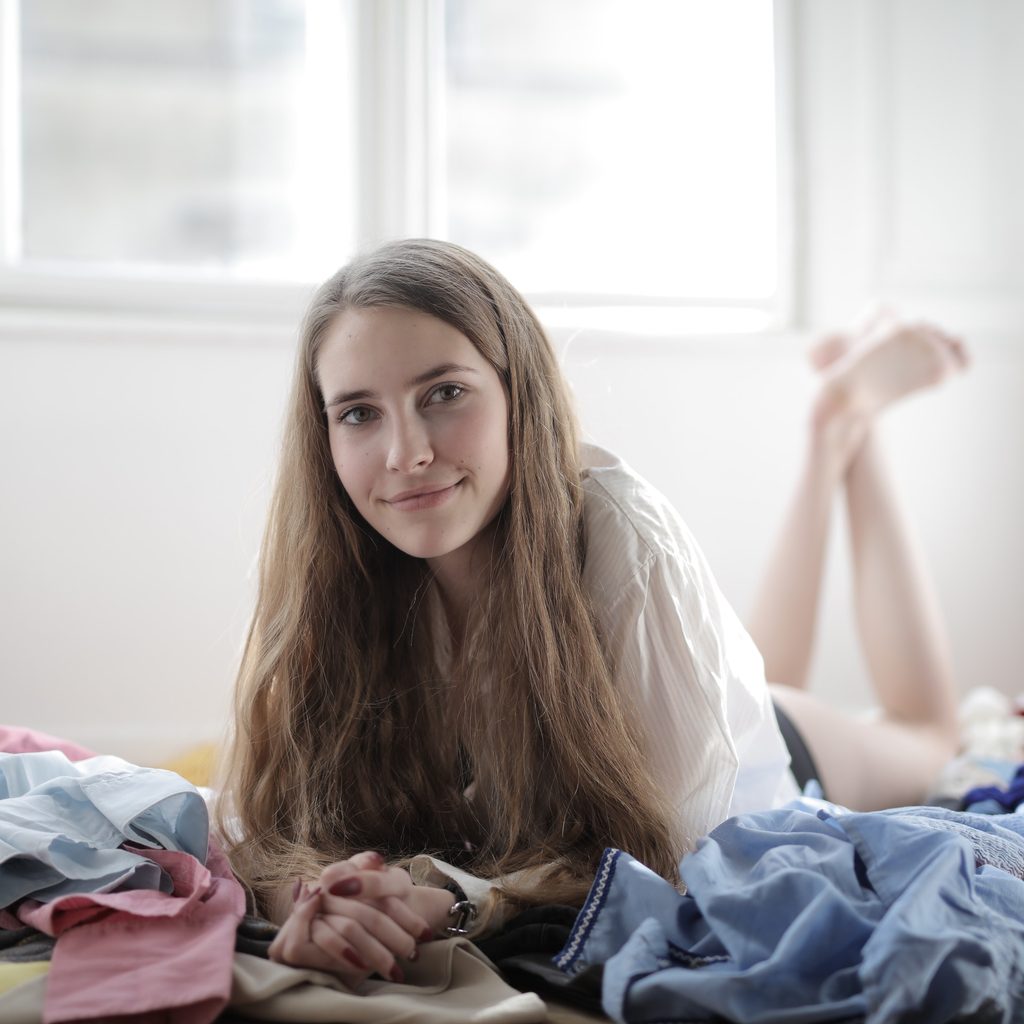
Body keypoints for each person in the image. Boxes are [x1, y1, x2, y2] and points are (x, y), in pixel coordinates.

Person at [215, 240, 965, 986]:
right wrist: (318, 899)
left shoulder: (621, 535)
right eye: (357, 413)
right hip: (683, 712)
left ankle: (844, 424)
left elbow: (677, 852)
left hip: (745, 769)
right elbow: (254, 833)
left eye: (444, 393)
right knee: (750, 669)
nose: (405, 452)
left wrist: (445, 898)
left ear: (519, 391)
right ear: (324, 434)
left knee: (926, 733)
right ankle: (833, 424)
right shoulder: (324, 568)